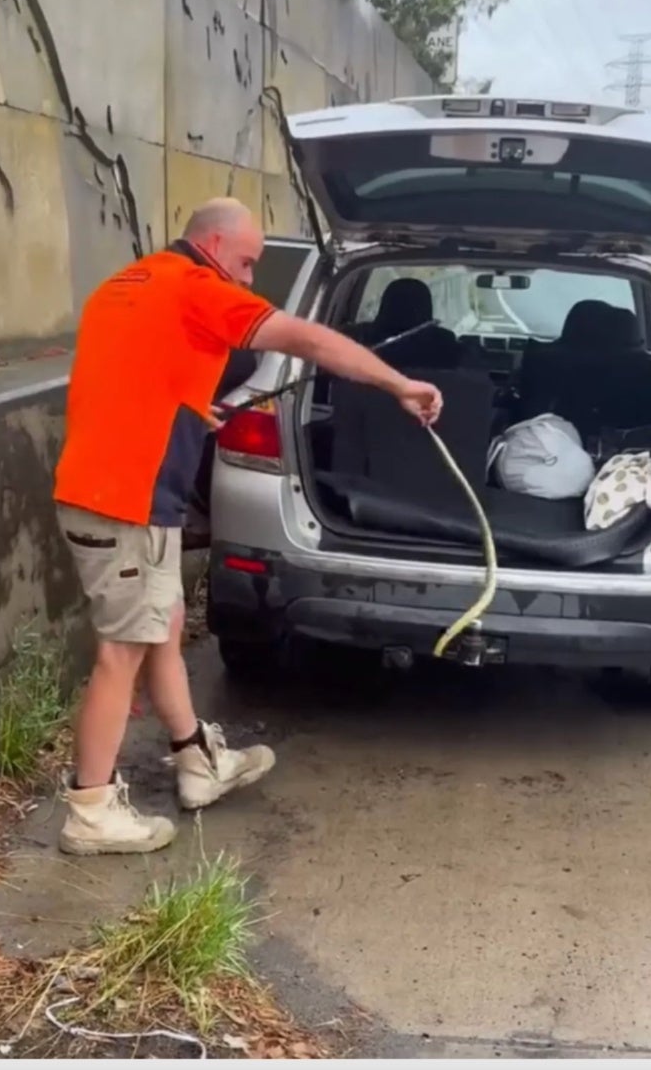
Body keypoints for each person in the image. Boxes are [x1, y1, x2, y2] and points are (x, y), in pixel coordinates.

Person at [49, 196, 443, 854]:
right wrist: (398, 383)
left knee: (164, 625)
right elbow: (307, 338)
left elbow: (123, 371)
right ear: (212, 243)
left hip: (115, 490)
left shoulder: (127, 283)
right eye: (247, 261)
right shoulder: (200, 287)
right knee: (121, 651)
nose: (249, 279)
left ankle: (197, 760)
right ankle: (90, 809)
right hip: (126, 502)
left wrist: (185, 403)